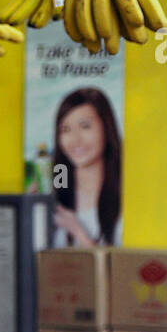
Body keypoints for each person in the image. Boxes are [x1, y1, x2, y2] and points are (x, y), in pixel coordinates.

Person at [50, 86, 122, 247]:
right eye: (65, 129)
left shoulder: (126, 196)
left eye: (85, 126)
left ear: (106, 128)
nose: (75, 140)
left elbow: (122, 270)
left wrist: (79, 233)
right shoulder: (56, 192)